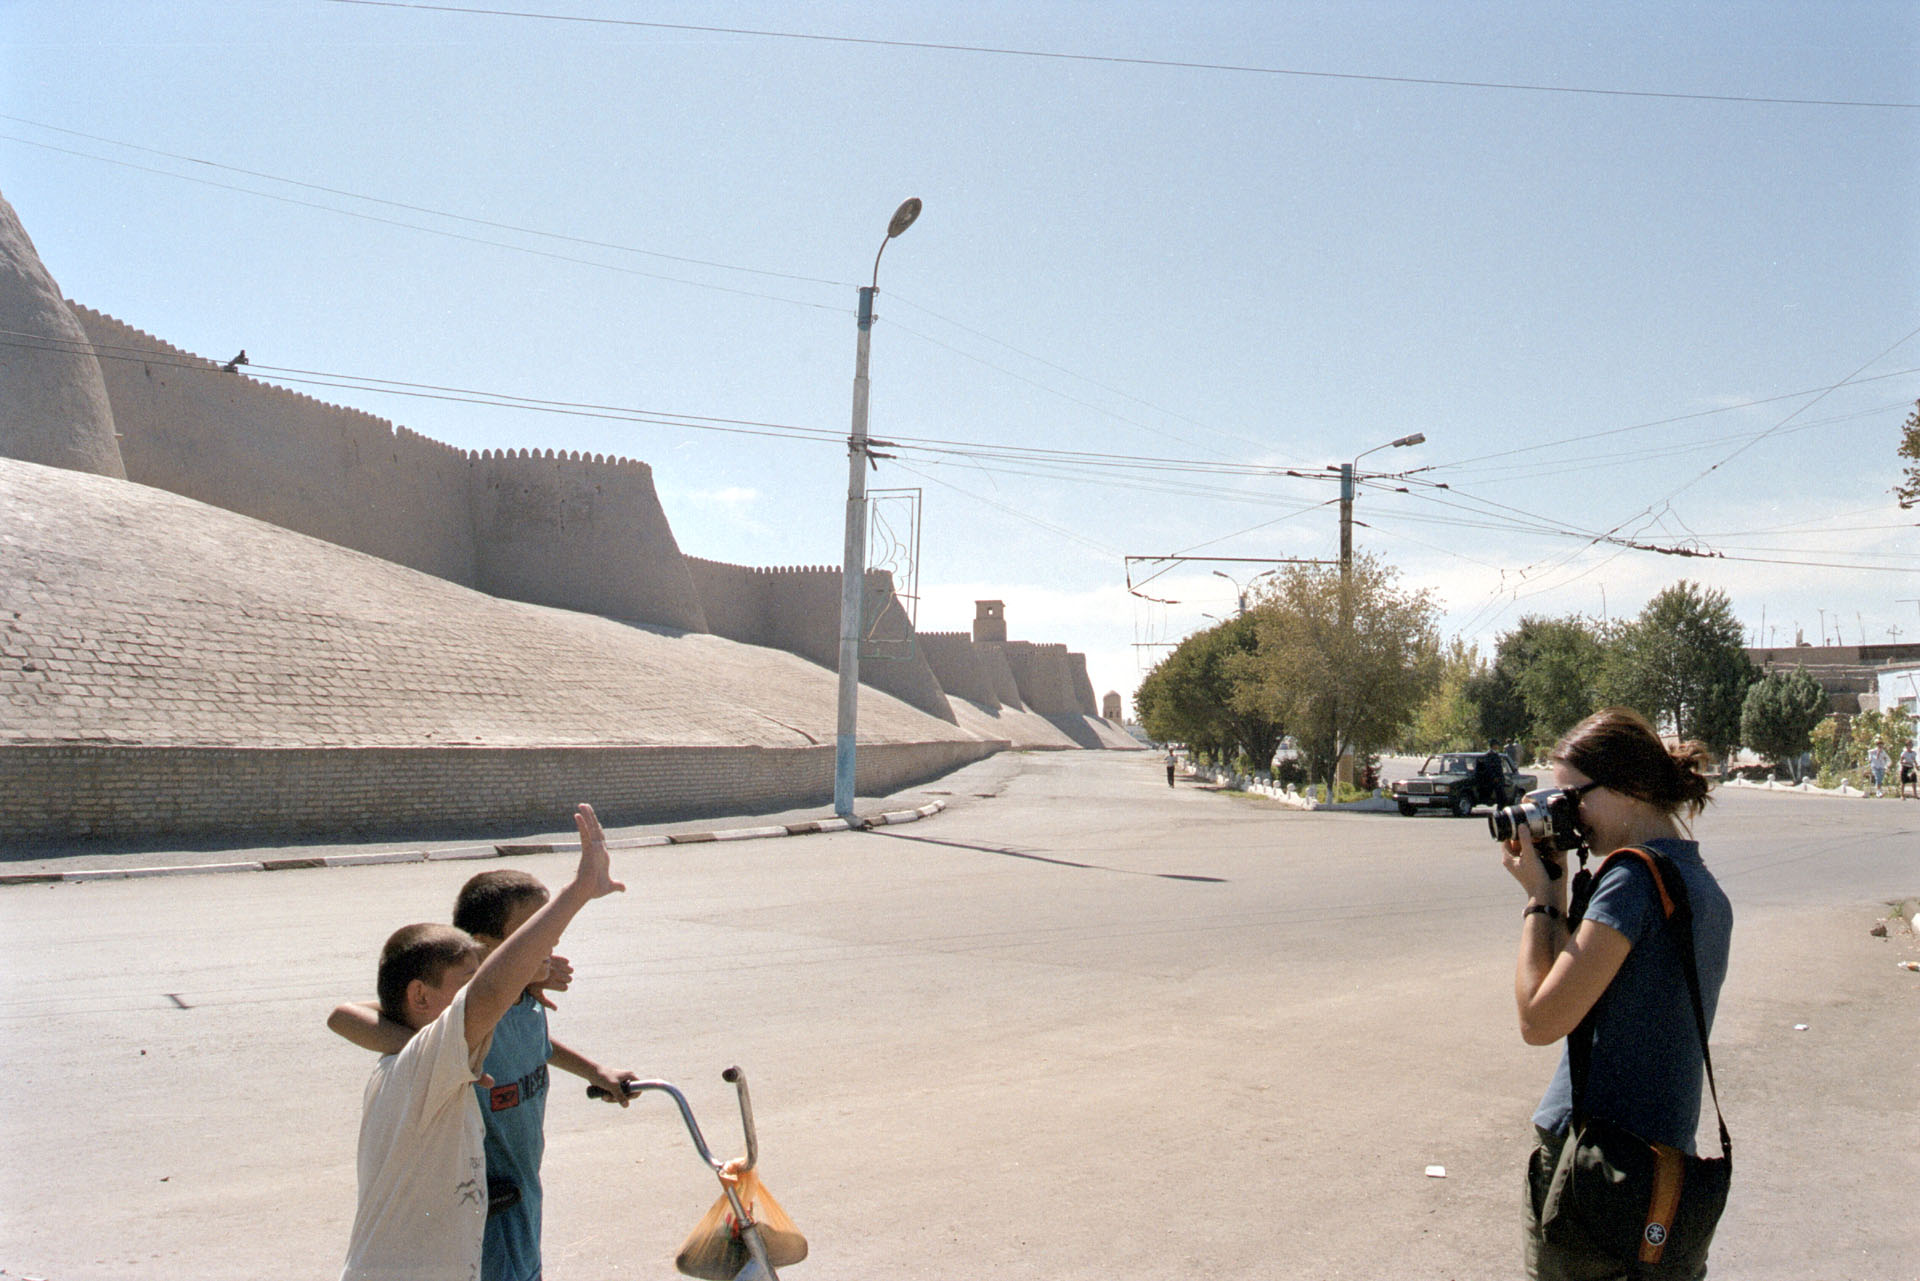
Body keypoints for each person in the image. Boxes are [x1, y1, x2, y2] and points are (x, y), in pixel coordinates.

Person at [341, 804, 624, 1281]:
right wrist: (577, 892)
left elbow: (510, 1016)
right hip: (475, 1232)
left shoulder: (455, 1044)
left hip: (508, 1208)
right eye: (469, 981)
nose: (543, 946)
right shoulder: (426, 1060)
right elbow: (347, 1014)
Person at [1501, 708, 1733, 1280]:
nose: (1565, 815)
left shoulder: (1631, 882)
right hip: (1667, 1165)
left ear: (1628, 790)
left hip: (1593, 1162)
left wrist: (1538, 899)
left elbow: (1539, 1019)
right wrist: (1557, 885)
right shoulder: (1696, 882)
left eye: (1572, 797)